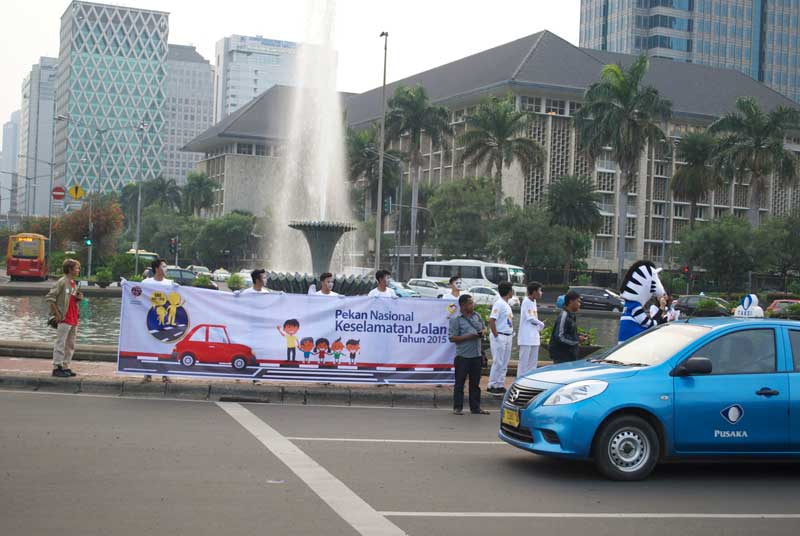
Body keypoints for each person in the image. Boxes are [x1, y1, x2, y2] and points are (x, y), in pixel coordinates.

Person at [448, 294, 490, 415]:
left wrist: (483, 332)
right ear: (463, 305)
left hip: (476, 355)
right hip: (463, 356)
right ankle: (458, 407)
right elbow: (452, 338)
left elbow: (484, 328)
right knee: (460, 383)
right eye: (470, 303)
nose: (473, 305)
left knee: (475, 384)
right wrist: (469, 336)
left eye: (472, 303)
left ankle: (475, 407)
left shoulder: (477, 316)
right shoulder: (456, 319)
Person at [46, 259, 83, 378]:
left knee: (70, 344)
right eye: (76, 268)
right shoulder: (62, 282)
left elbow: (71, 300)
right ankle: (57, 367)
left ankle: (66, 366)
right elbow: (50, 298)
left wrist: (78, 299)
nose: (78, 270)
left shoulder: (73, 283)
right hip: (64, 318)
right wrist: (57, 314)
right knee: (61, 343)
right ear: (70, 269)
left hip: (73, 317)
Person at [142, 258, 174, 383]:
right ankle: (147, 374)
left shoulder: (170, 284)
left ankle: (165, 374)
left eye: (166, 266)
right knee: (148, 346)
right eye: (163, 266)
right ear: (156, 268)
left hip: (164, 321)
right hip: (149, 320)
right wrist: (126, 286)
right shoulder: (146, 283)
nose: (166, 269)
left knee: (164, 346)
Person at [487, 282, 515, 395]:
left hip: (508, 335)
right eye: (511, 290)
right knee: (498, 361)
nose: (513, 292)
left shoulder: (506, 304)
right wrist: (496, 335)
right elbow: (491, 320)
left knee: (504, 362)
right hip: (500, 335)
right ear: (509, 291)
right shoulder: (499, 304)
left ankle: (500, 384)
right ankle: (491, 385)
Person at [548, 290, 587, 363]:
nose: (579, 304)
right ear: (571, 301)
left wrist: (578, 335)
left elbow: (569, 332)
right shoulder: (564, 316)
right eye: (578, 301)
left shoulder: (571, 315)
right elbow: (560, 336)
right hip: (562, 356)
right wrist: (577, 340)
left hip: (570, 354)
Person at [517, 281, 545, 378]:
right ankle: (519, 381)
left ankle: (530, 380)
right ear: (534, 292)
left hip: (534, 336)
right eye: (540, 291)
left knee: (533, 363)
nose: (541, 293)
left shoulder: (534, 302)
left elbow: (534, 318)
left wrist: (538, 327)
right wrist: (541, 324)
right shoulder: (526, 301)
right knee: (523, 363)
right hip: (526, 337)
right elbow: (530, 318)